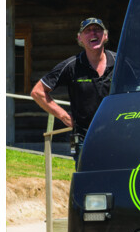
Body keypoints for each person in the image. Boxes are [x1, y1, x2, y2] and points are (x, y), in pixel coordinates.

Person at [30, 17, 115, 166]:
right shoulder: (71, 66)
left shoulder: (119, 61)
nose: (93, 33)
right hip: (84, 138)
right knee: (87, 184)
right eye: (87, 31)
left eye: (97, 30)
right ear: (80, 38)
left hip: (118, 136)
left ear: (105, 35)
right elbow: (38, 92)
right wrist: (63, 115)